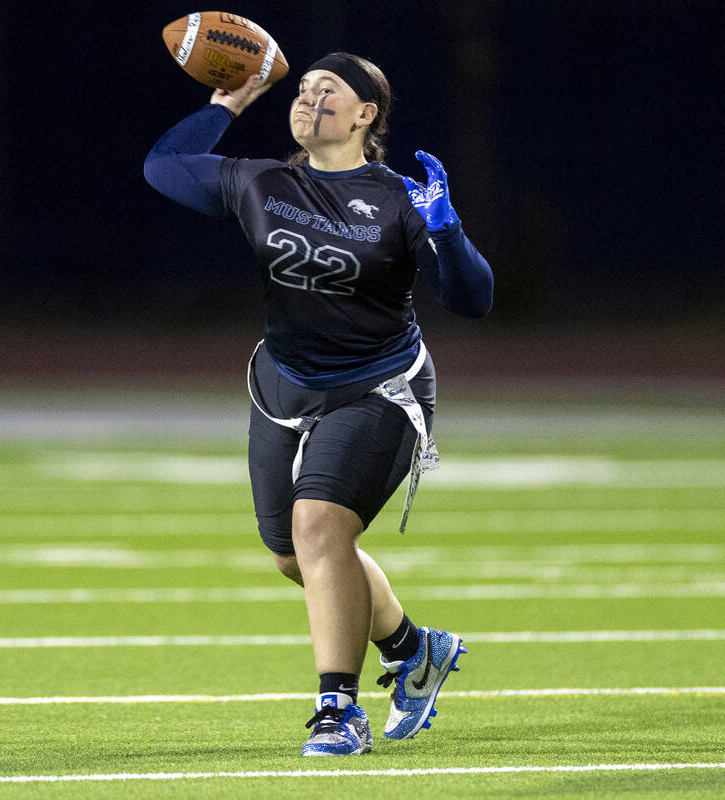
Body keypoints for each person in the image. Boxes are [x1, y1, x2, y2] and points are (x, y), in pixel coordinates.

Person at [144, 52, 493, 757]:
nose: (307, 100)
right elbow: (163, 165)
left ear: (367, 115)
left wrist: (450, 235)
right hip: (284, 384)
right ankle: (414, 648)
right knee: (290, 554)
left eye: (327, 91)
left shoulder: (397, 197)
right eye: (301, 91)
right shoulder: (263, 181)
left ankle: (340, 712)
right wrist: (230, 102)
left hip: (378, 387)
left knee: (319, 528)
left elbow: (474, 300)